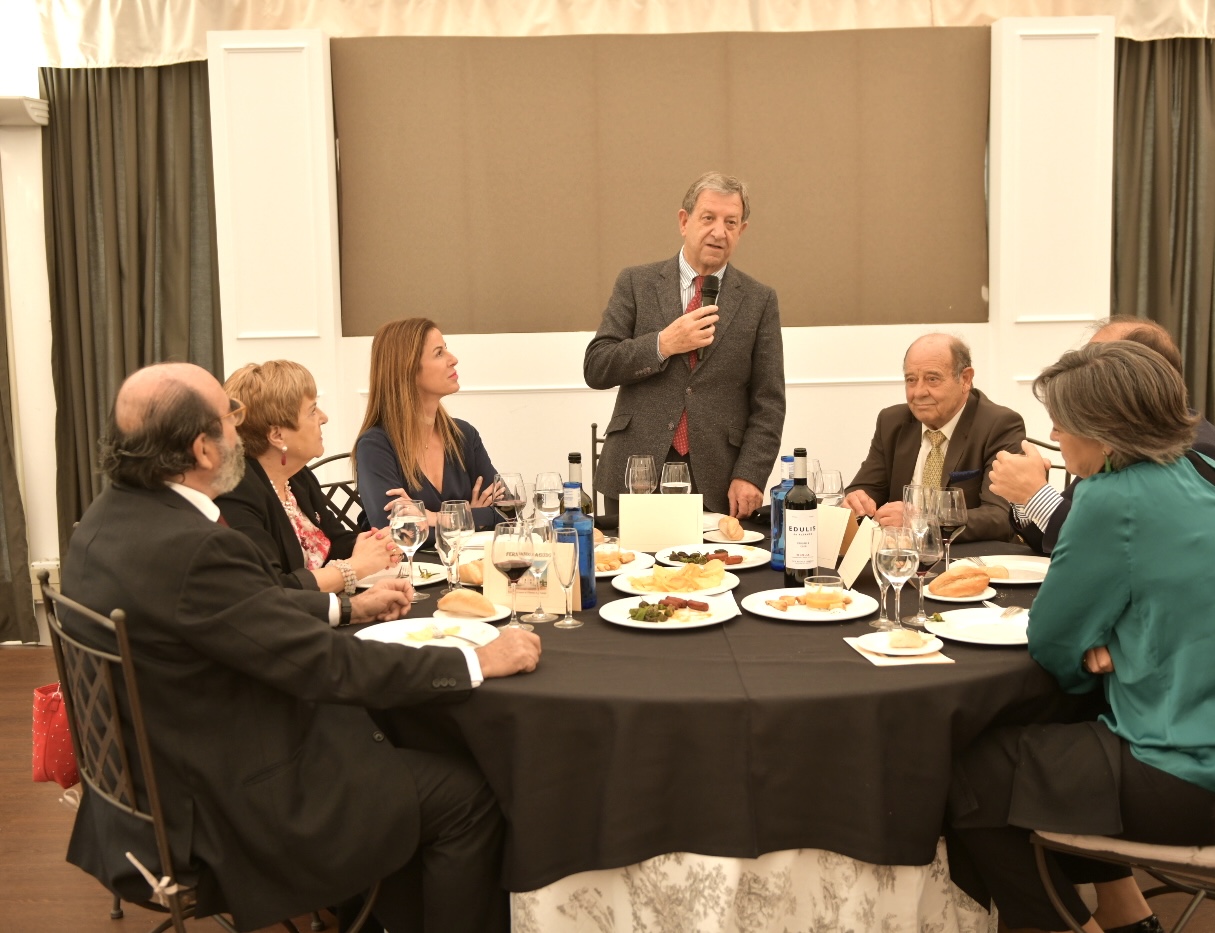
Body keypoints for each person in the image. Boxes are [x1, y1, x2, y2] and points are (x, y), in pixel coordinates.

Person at [61, 362, 541, 933]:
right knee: (467, 794)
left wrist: (343, 606)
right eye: (229, 417)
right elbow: (328, 665)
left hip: (148, 798)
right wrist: (475, 659)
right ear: (203, 450)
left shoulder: (101, 523)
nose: (239, 427)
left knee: (395, 744)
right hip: (229, 813)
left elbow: (231, 618)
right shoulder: (197, 549)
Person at [945, 342, 1215, 933]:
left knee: (968, 773)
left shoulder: (1113, 499)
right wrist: (1114, 640)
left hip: (1199, 773)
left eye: (1061, 421)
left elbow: (1053, 644)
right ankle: (1121, 913)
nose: (1052, 433)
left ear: (1105, 434)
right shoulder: (1205, 467)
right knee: (1050, 741)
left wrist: (1092, 649)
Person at [583, 171, 785, 518]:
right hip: (635, 473)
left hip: (717, 479)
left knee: (712, 574)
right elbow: (597, 366)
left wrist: (750, 474)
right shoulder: (636, 283)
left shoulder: (758, 300)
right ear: (684, 221)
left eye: (731, 222)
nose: (719, 231)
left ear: (742, 230)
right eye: (708, 218)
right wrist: (663, 343)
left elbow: (769, 402)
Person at [989, 316, 1215, 555]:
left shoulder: (1191, 452)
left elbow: (1116, 551)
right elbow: (1056, 538)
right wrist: (1025, 496)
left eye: (1099, 362)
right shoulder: (1121, 444)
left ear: (1138, 374)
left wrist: (1036, 494)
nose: (1082, 370)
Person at [219, 360, 400, 592]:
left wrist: (377, 544)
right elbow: (270, 588)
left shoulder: (297, 477)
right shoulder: (237, 491)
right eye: (312, 410)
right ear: (277, 435)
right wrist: (353, 568)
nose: (324, 418)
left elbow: (335, 541)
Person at [842, 333, 1025, 540]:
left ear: (965, 379)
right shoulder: (891, 421)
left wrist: (921, 521)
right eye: (911, 380)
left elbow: (999, 517)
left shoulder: (999, 424)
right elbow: (867, 487)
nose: (918, 392)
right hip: (900, 557)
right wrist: (856, 499)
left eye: (932, 379)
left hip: (966, 559)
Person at [355, 317, 500, 529]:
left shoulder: (464, 435)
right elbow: (397, 534)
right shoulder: (374, 446)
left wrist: (433, 518)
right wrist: (470, 517)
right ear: (408, 369)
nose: (453, 359)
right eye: (439, 353)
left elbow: (506, 513)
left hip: (469, 562)